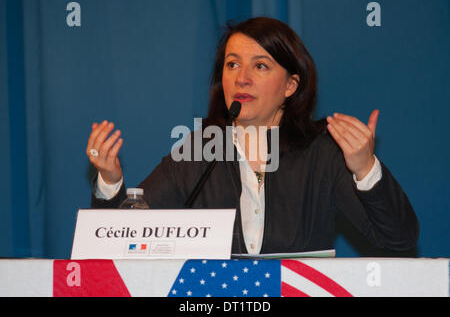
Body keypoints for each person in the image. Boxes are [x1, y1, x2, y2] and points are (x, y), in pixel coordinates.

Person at [86, 17, 419, 255]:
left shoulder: (322, 152)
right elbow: (120, 244)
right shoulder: (199, 152)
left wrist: (365, 169)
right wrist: (110, 181)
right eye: (232, 65)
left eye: (260, 66)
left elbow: (399, 240)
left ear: (291, 85)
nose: (241, 78)